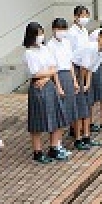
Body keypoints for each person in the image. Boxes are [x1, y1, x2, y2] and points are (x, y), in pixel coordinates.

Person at [22, 22, 69, 163]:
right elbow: (34, 72)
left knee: (56, 117)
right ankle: (37, 151)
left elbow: (54, 67)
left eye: (41, 33)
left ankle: (54, 148)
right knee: (37, 120)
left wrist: (47, 76)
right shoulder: (28, 53)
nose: (40, 37)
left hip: (48, 85)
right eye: (38, 34)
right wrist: (44, 74)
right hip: (37, 88)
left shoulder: (45, 48)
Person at [72, 29, 102, 150]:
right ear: (99, 37)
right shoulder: (91, 48)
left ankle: (87, 136)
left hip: (85, 73)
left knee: (88, 103)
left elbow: (90, 68)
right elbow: (83, 67)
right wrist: (82, 83)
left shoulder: (101, 51)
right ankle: (78, 139)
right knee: (81, 104)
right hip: (76, 71)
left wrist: (88, 84)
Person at [46, 18, 78, 156]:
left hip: (68, 76)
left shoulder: (67, 42)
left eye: (63, 29)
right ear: (53, 29)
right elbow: (53, 68)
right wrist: (58, 87)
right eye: (59, 29)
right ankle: (56, 145)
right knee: (59, 112)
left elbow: (70, 62)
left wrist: (74, 80)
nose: (61, 32)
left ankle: (59, 144)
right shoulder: (50, 45)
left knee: (68, 111)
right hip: (57, 76)